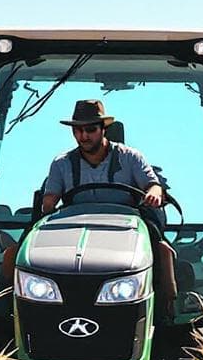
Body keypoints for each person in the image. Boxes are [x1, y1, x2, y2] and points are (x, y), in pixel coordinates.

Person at [24, 97, 178, 314]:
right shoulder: (61, 163)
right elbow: (50, 199)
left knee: (159, 246)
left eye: (90, 129)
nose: (83, 136)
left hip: (127, 228)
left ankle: (165, 306)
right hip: (73, 228)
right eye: (77, 130)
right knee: (23, 248)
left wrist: (154, 192)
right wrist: (47, 204)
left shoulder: (132, 157)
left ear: (103, 129)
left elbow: (152, 185)